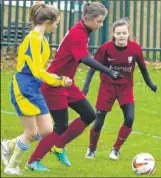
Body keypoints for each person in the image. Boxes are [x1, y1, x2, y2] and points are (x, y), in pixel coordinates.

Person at [26, 2, 122, 170]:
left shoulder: (85, 30)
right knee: (61, 125)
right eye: (99, 22)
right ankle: (33, 161)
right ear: (87, 19)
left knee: (89, 114)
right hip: (54, 83)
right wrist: (109, 71)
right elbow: (84, 58)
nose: (100, 25)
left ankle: (58, 147)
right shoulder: (78, 33)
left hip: (67, 83)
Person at [1, 2, 72, 175]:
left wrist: (52, 76)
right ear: (48, 21)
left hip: (34, 87)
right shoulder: (33, 39)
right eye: (56, 23)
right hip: (24, 88)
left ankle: (8, 145)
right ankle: (12, 166)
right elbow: (36, 70)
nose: (56, 26)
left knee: (47, 129)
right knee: (31, 132)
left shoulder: (42, 39)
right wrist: (60, 81)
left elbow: (40, 69)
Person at [83, 18, 157, 160]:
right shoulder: (105, 49)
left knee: (129, 118)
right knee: (99, 121)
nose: (122, 35)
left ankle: (116, 150)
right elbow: (93, 67)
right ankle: (91, 149)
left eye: (124, 32)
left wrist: (150, 84)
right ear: (114, 34)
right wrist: (86, 86)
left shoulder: (135, 49)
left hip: (126, 88)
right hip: (107, 88)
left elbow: (143, 68)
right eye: (119, 33)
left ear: (128, 33)